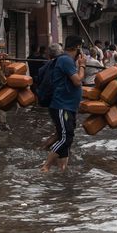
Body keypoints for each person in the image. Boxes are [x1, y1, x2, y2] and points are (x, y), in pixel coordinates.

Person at [41, 35, 86, 173]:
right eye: (81, 48)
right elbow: (77, 81)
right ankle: (45, 166)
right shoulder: (66, 60)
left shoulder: (67, 60)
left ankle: (62, 169)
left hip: (68, 106)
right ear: (77, 48)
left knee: (65, 137)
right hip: (62, 106)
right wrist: (82, 65)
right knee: (67, 138)